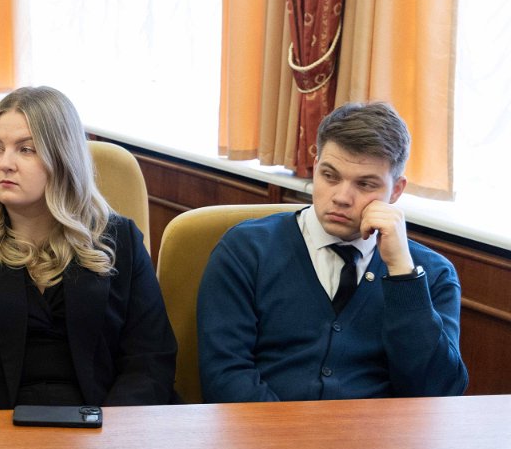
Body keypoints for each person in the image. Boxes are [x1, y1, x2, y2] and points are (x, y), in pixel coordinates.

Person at [0, 86, 177, 411]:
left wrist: (110, 430)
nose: (5, 164)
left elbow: (150, 362)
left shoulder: (119, 239)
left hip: (102, 427)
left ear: (62, 157)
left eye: (26, 150)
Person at [198, 102, 467, 402]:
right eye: (330, 176)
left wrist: (402, 274)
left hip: (379, 432)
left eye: (365, 184)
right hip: (264, 428)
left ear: (395, 191)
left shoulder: (432, 274)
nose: (341, 197)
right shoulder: (246, 250)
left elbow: (437, 393)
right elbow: (225, 374)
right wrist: (285, 432)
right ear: (316, 168)